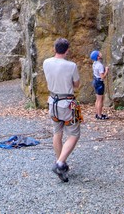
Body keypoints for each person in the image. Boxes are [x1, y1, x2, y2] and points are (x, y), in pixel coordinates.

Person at [43, 38, 81, 183]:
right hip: (68, 103)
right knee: (74, 134)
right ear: (67, 50)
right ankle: (60, 163)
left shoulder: (46, 62)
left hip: (52, 102)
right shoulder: (71, 66)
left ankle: (60, 163)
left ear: (54, 49)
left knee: (57, 132)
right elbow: (76, 85)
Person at [90, 50, 109, 120]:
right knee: (100, 100)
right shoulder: (99, 65)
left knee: (97, 99)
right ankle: (100, 115)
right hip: (99, 83)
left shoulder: (94, 63)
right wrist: (106, 70)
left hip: (95, 81)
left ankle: (97, 113)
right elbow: (102, 77)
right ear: (98, 57)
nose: (100, 53)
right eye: (99, 53)